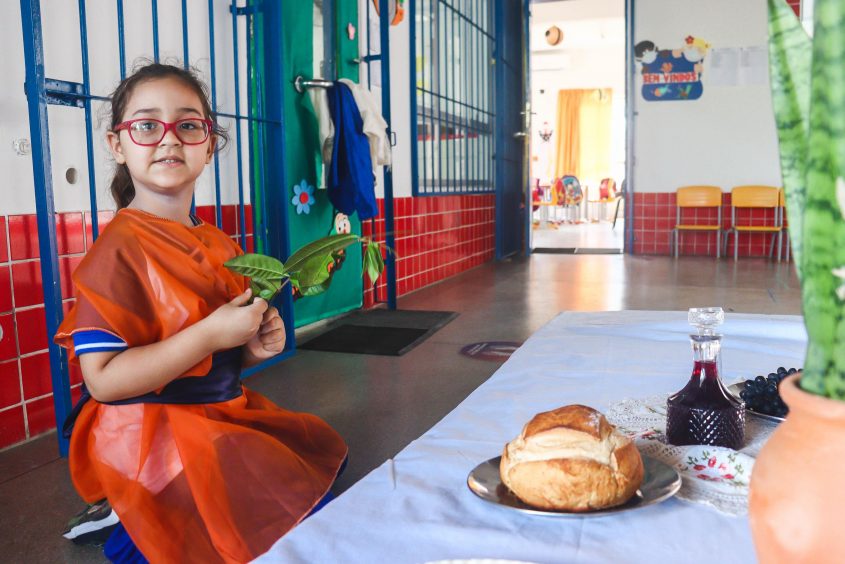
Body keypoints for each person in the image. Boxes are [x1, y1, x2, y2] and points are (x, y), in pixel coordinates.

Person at [54, 63, 348, 563]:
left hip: (216, 416)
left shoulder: (216, 241)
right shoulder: (116, 251)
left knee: (311, 495)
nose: (169, 140)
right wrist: (211, 335)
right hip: (148, 434)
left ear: (209, 145)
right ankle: (124, 505)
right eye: (146, 126)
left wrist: (253, 349)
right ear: (117, 145)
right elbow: (102, 381)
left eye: (189, 126)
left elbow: (219, 361)